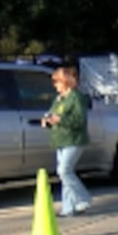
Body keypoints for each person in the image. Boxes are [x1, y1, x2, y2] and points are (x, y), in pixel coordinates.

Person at [41, 62, 92, 217]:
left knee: (64, 171)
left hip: (74, 140)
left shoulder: (76, 98)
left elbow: (78, 120)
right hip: (61, 140)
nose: (55, 85)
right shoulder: (59, 99)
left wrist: (59, 120)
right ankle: (68, 208)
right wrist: (47, 120)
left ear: (66, 82)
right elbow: (52, 113)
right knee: (65, 173)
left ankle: (83, 198)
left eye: (57, 81)